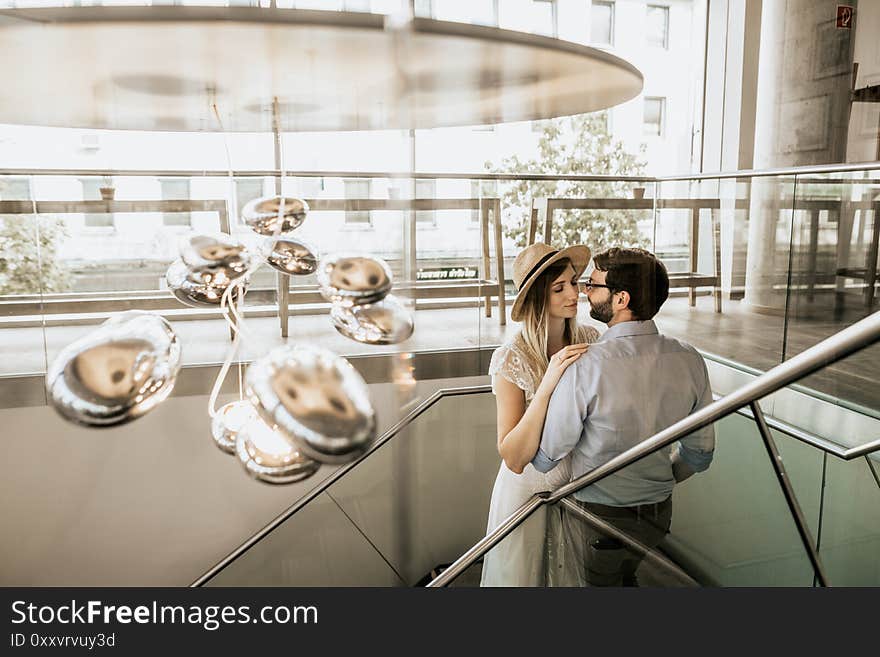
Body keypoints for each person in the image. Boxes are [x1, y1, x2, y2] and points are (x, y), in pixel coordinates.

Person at [531, 247, 715, 587]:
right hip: (658, 515)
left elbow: (545, 459)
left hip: (600, 518)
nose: (584, 291)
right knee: (626, 579)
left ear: (621, 299)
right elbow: (700, 455)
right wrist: (654, 479)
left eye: (593, 284)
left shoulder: (585, 366)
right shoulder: (690, 359)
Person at [480, 242, 601, 587]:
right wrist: (547, 385)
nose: (573, 294)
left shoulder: (591, 338)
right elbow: (513, 456)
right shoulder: (511, 358)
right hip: (527, 495)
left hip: (579, 488)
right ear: (537, 298)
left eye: (574, 283)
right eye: (559, 288)